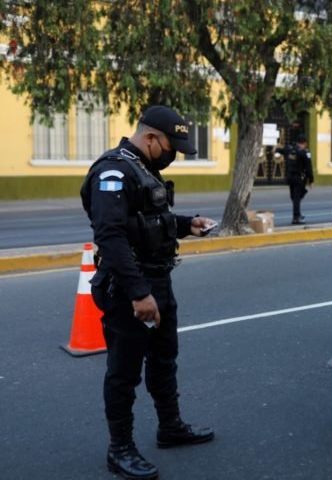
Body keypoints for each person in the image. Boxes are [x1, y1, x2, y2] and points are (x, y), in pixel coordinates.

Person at [80, 105, 217, 480]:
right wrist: (139, 293)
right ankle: (119, 449)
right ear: (151, 138)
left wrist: (189, 224)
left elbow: (148, 221)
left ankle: (169, 427)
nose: (175, 155)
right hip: (129, 287)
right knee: (124, 372)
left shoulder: (143, 169)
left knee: (163, 359)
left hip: (158, 280)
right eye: (172, 146)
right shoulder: (112, 171)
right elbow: (111, 235)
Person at [277, 134, 314, 224]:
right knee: (297, 197)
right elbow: (309, 168)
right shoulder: (304, 152)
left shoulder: (289, 149)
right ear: (304, 143)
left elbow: (279, 150)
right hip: (299, 178)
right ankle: (296, 217)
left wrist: (276, 147)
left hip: (290, 178)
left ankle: (297, 214)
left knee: (294, 197)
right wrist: (311, 180)